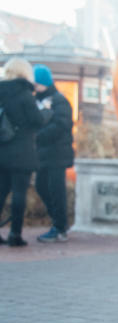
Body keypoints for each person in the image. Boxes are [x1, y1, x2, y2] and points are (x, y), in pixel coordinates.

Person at [0, 58, 47, 247]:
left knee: (1, 193)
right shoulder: (25, 94)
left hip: (2, 150)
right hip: (21, 152)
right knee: (19, 193)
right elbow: (36, 121)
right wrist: (46, 112)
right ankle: (15, 235)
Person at [32, 64, 74, 243]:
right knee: (41, 186)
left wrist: (38, 136)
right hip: (43, 154)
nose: (33, 86)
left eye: (36, 83)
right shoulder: (36, 100)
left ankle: (59, 227)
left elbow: (62, 125)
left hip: (57, 153)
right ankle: (57, 221)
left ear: (43, 82)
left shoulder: (59, 100)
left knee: (57, 190)